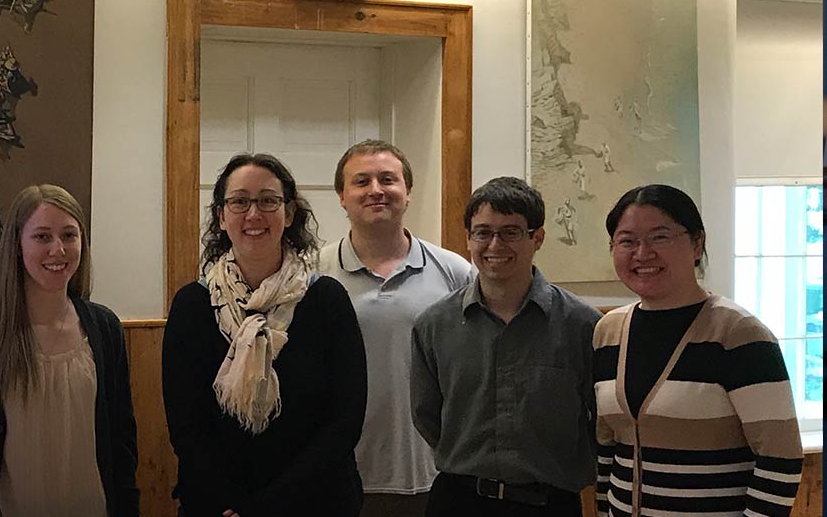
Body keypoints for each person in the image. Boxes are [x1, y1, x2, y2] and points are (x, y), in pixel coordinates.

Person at [163, 153, 367, 516]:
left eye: (268, 201)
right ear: (221, 216)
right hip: (217, 505)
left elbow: (345, 420)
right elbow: (186, 427)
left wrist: (266, 506)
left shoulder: (327, 300)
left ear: (288, 214)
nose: (254, 214)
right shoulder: (192, 305)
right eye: (240, 202)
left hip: (315, 503)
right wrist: (235, 504)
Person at [592, 184, 802, 517]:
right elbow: (608, 449)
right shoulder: (608, 332)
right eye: (627, 241)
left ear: (697, 243)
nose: (642, 253)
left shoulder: (738, 334)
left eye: (660, 237)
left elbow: (781, 458)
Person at [0, 184, 139, 517]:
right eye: (42, 236)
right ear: (17, 245)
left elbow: (122, 443)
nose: (58, 249)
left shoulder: (105, 328)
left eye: (69, 235)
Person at [409, 177, 601, 516]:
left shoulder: (581, 325)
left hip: (550, 504)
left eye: (511, 232)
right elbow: (427, 416)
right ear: (468, 238)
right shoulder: (434, 325)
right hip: (459, 501)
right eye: (483, 232)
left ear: (537, 238)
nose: (495, 245)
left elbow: (598, 420)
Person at [316, 140, 473, 515]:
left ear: (408, 191)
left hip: (434, 473)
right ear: (342, 196)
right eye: (361, 181)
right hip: (335, 475)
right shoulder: (311, 273)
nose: (376, 190)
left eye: (388, 179)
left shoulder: (456, 273)